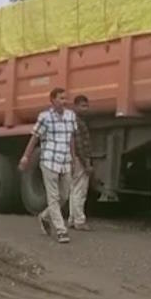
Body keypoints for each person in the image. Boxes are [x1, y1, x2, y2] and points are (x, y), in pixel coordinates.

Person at [19, 87, 77, 244]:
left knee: (64, 195)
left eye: (65, 98)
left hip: (65, 161)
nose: (64, 101)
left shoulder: (71, 116)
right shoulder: (45, 117)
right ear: (52, 100)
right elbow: (34, 138)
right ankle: (61, 230)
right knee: (53, 197)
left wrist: (73, 158)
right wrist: (26, 157)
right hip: (49, 160)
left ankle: (44, 216)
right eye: (60, 98)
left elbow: (71, 138)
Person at [68, 94, 92, 231]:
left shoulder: (73, 121)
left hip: (74, 159)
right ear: (75, 106)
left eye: (87, 106)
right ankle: (79, 221)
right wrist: (86, 163)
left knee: (74, 189)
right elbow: (79, 145)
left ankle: (72, 219)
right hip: (79, 159)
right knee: (80, 191)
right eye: (83, 106)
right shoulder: (78, 122)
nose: (85, 109)